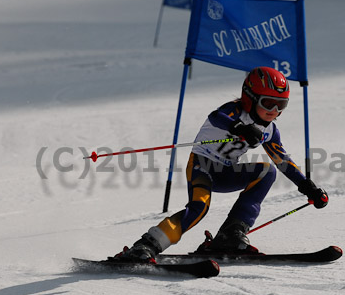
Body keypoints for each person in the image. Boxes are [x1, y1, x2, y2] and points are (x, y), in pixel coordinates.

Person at [114, 66, 329, 263]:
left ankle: (231, 234)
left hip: (225, 172)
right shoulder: (235, 111)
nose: (274, 110)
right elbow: (217, 117)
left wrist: (308, 187)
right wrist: (240, 128)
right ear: (250, 98)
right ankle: (146, 245)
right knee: (199, 207)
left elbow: (283, 161)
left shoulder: (270, 130)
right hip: (202, 166)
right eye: (267, 102)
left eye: (281, 104)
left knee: (266, 171)